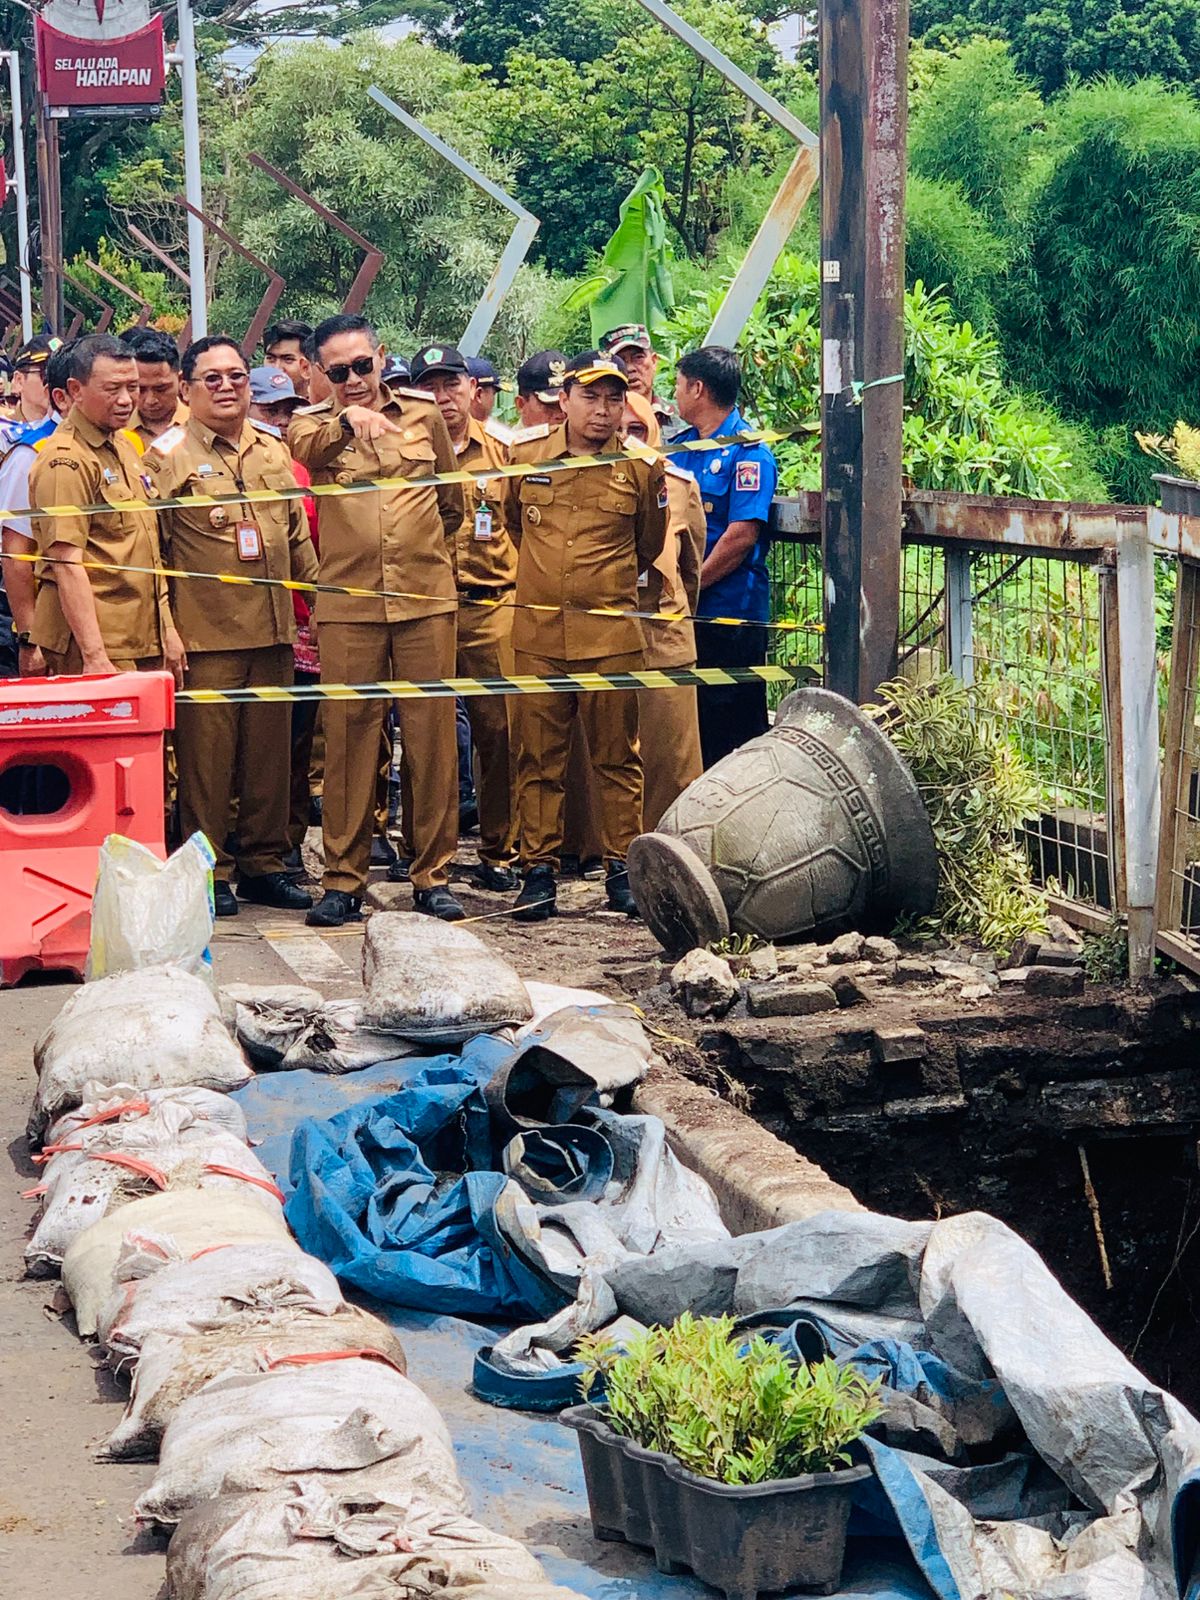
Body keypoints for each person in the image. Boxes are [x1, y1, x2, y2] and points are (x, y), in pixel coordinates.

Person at [290, 313, 465, 927]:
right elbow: (304, 453)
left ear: (381, 356)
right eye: (338, 372)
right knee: (349, 740)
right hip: (350, 606)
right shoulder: (310, 423)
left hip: (423, 602)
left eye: (362, 366)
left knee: (431, 739)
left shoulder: (422, 415)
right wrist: (346, 419)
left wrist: (422, 563)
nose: (354, 379)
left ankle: (432, 874)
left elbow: (451, 504)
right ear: (320, 373)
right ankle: (342, 878)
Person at [143, 335, 317, 916]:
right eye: (212, 378)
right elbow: (152, 553)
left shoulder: (271, 452)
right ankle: (207, 867)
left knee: (268, 758)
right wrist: (166, 627)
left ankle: (264, 864)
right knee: (207, 763)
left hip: (272, 633)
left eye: (237, 376)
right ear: (188, 389)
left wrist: (316, 607)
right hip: (206, 636)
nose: (226, 387)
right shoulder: (166, 458)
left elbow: (296, 539)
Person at [501, 350, 667, 922]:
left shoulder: (642, 467)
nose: (603, 411)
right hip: (539, 635)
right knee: (537, 758)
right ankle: (538, 871)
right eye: (591, 397)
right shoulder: (524, 458)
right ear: (564, 398)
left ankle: (622, 869)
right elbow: (512, 524)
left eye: (614, 398)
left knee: (617, 758)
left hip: (610, 637)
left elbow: (648, 543)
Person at [409, 343, 518, 890]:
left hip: (489, 605)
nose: (442, 397)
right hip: (423, 609)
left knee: (498, 731)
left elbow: (525, 521)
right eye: (429, 386)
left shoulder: (503, 451)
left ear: (473, 390)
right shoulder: (404, 452)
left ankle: (500, 850)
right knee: (426, 737)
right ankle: (429, 856)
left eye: (451, 384)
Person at [28, 333, 185, 683]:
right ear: (74, 390)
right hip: (96, 644)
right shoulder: (64, 461)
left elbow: (148, 551)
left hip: (140, 638)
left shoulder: (124, 449)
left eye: (133, 387)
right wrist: (94, 657)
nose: (128, 400)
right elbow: (66, 563)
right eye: (113, 389)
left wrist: (167, 631)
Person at [669, 346, 778, 767]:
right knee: (690, 729)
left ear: (698, 388)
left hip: (729, 617)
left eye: (678, 385)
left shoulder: (748, 454)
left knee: (734, 735)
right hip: (684, 615)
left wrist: (691, 586)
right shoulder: (680, 450)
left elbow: (740, 537)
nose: (675, 394)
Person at [624, 390, 706, 826]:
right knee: (611, 760)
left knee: (671, 764)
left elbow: (690, 571)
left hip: (663, 638)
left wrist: (672, 621)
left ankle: (672, 850)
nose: (628, 439)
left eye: (637, 430)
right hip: (605, 639)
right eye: (619, 431)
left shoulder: (678, 486)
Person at [0, 337, 63, 677]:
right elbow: (15, 549)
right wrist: (28, 633)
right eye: (45, 372)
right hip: (26, 592)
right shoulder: (25, 450)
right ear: (19, 380)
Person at [599, 324, 676, 433]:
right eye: (620, 361)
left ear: (654, 361)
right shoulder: (599, 422)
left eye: (638, 358)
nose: (630, 368)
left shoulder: (681, 416)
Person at [122, 328, 188, 448]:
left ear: (180, 380)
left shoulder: (202, 425)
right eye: (140, 389)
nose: (150, 400)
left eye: (161, 389)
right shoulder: (116, 431)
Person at [514, 350, 568, 429]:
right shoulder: (508, 441)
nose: (561, 414)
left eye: (566, 403)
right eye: (550, 406)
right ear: (521, 404)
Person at [263, 319, 313, 400]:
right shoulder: (249, 406)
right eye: (270, 359)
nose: (277, 368)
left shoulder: (325, 408)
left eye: (288, 359)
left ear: (307, 367)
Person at [467, 356, 503, 423]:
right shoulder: (493, 432)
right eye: (493, 394)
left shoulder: (444, 430)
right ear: (479, 395)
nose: (493, 403)